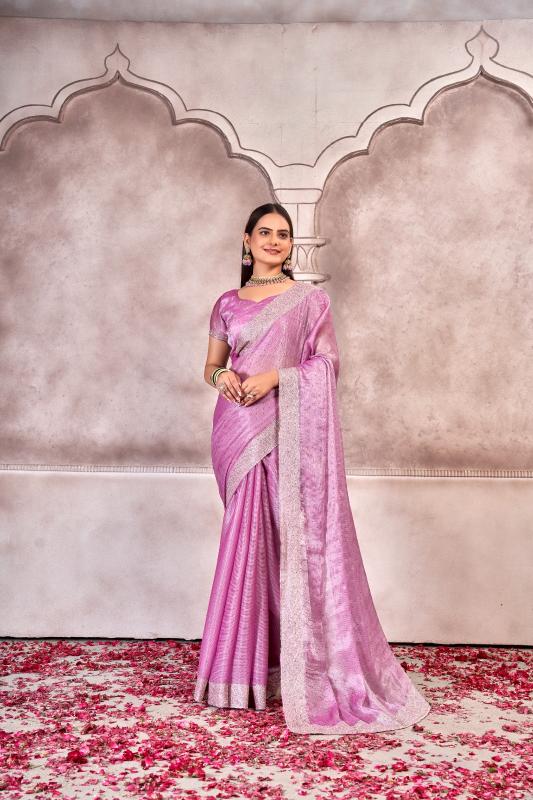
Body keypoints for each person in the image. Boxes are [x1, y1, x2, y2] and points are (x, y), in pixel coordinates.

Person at [193, 203, 431, 734]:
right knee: (244, 539)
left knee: (286, 541)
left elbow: (327, 363)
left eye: (283, 234)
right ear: (246, 240)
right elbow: (211, 365)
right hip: (235, 428)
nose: (274, 241)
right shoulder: (227, 303)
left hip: (284, 427)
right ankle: (239, 671)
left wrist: (276, 377)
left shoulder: (309, 300)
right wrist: (221, 379)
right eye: (265, 233)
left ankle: (293, 663)